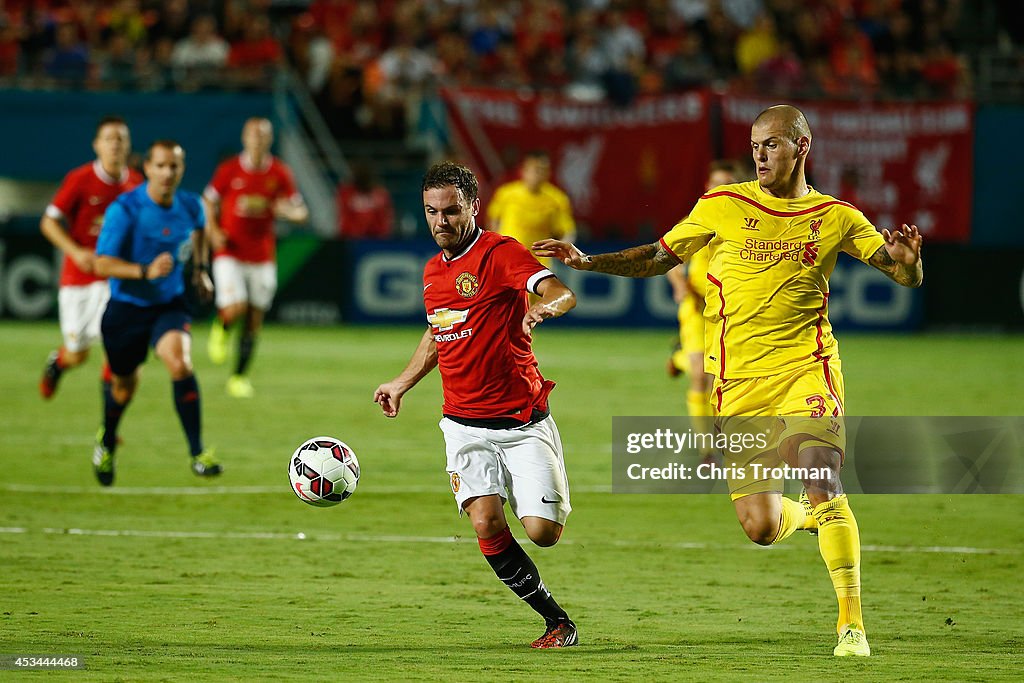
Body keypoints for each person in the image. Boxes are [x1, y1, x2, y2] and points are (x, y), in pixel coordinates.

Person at [535, 104, 924, 658]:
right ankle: (806, 518)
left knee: (823, 480)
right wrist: (588, 262)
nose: (760, 154)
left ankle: (851, 626)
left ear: (801, 148)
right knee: (760, 526)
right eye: (755, 144)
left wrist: (909, 264)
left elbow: (901, 272)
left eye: (771, 144)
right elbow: (657, 256)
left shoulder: (836, 215)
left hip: (806, 368)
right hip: (738, 382)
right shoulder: (722, 204)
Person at [374, 161, 579, 649]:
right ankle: (557, 622)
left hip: (521, 420)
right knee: (486, 520)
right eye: (431, 212)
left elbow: (562, 292)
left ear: (472, 206)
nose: (440, 221)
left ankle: (531, 485)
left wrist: (543, 307)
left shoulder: (501, 253)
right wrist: (402, 382)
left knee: (543, 532)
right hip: (463, 425)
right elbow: (437, 331)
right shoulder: (431, 272)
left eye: (450, 211)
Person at [93, 140, 222, 486]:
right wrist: (144, 271)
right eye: (161, 166)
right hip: (127, 309)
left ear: (182, 169)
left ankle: (197, 453)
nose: (168, 173)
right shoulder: (126, 209)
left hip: (169, 304)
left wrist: (200, 270)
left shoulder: (191, 205)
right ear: (147, 168)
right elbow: (101, 262)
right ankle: (107, 442)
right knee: (123, 387)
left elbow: (199, 233)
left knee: (179, 363)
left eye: (174, 166)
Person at [39, 115, 144, 400]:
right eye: (109, 139)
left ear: (128, 145)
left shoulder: (136, 185)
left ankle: (107, 429)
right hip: (80, 279)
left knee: (118, 351)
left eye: (120, 139)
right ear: (96, 145)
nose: (115, 145)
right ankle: (58, 363)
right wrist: (75, 251)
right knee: (78, 354)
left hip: (116, 281)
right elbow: (48, 222)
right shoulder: (81, 179)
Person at [203, 117, 308, 398]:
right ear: (245, 138)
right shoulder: (229, 170)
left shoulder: (280, 172)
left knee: (254, 319)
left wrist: (286, 212)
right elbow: (208, 200)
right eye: (254, 135)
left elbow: (300, 211)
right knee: (235, 307)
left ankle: (238, 377)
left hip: (261, 255)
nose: (258, 140)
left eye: (263, 136)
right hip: (231, 251)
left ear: (269, 140)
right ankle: (222, 326)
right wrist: (213, 231)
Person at [665, 159, 750, 462]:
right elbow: (669, 259)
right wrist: (682, 287)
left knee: (723, 381)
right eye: (715, 183)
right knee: (701, 376)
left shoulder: (749, 222)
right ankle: (707, 449)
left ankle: (678, 358)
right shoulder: (696, 219)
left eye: (725, 184)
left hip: (732, 312)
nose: (718, 189)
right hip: (697, 309)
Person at [486, 150, 576, 253]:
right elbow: (493, 219)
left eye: (544, 170)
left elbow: (568, 232)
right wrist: (497, 245)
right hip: (508, 256)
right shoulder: (506, 193)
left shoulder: (558, 199)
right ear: (524, 170)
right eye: (536, 170)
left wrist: (561, 249)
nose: (540, 174)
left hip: (539, 262)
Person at [335, 161, 395, 239]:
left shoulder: (380, 194)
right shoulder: (345, 192)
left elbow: (385, 219)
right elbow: (344, 216)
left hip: (375, 238)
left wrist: (382, 235)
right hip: (350, 239)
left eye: (366, 176)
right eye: (362, 175)